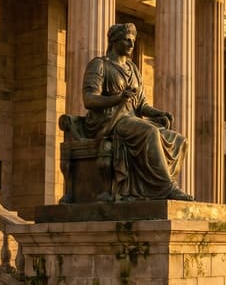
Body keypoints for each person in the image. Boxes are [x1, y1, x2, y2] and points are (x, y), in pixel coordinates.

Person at [82, 23, 193, 201]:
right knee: (150, 132)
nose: (132, 45)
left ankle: (153, 189)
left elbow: (141, 105)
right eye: (127, 40)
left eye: (133, 41)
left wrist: (158, 113)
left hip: (131, 121)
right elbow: (89, 99)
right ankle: (166, 188)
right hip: (110, 122)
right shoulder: (99, 65)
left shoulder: (133, 69)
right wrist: (118, 99)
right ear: (114, 41)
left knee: (180, 140)